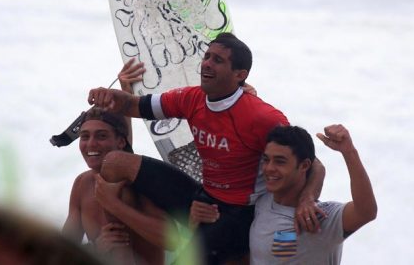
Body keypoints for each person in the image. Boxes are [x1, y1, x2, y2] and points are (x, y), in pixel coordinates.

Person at [87, 33, 326, 264]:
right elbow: (136, 106)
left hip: (239, 213)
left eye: (218, 60)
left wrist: (307, 199)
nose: (207, 64)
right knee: (114, 163)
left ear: (239, 75)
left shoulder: (261, 117)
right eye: (207, 56)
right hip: (203, 196)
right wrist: (112, 97)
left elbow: (313, 163)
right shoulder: (192, 98)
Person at [63, 60, 178, 264]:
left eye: (100, 136)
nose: (91, 144)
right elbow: (59, 251)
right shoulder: (82, 185)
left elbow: (173, 240)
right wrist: (96, 247)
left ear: (120, 141)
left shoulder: (140, 183)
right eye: (84, 136)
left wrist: (116, 207)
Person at [249, 125, 377, 264]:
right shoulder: (261, 199)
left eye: (280, 162)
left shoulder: (319, 217)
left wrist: (349, 152)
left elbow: (366, 212)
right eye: (266, 160)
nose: (269, 168)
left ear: (304, 166)